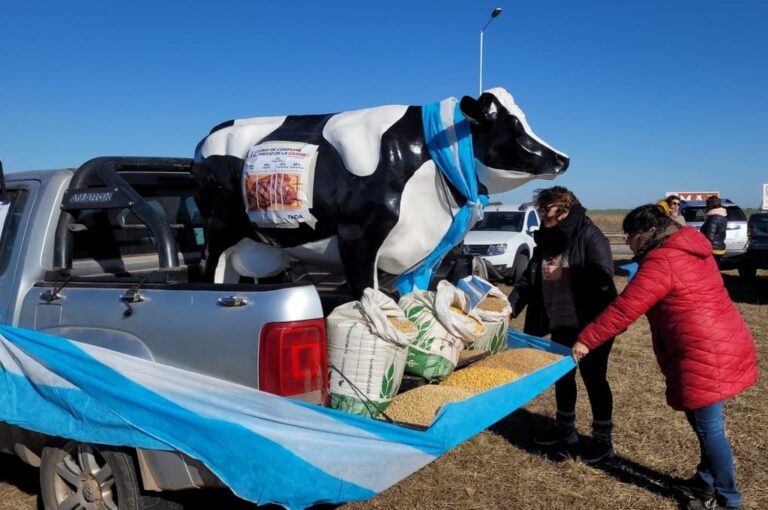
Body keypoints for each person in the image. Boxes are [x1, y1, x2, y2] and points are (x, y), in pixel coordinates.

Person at [572, 204, 757, 510]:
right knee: (706, 425)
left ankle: (728, 500)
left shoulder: (662, 261)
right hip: (724, 340)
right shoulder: (692, 246)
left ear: (648, 233)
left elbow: (624, 309)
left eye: (631, 235)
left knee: (709, 430)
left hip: (703, 351)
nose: (629, 242)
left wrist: (586, 340)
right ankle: (705, 481)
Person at [508, 186, 618, 464]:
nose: (542, 215)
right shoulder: (547, 236)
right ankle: (564, 428)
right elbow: (530, 278)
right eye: (541, 210)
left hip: (591, 323)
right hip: (559, 319)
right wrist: (511, 307)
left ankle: (602, 440)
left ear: (565, 209)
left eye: (547, 210)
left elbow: (604, 281)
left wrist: (565, 274)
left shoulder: (591, 236)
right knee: (562, 375)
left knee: (594, 378)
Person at [701, 195, 727, 262]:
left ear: (710, 205)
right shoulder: (722, 216)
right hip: (720, 247)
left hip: (713, 249)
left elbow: (709, 237)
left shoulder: (713, 218)